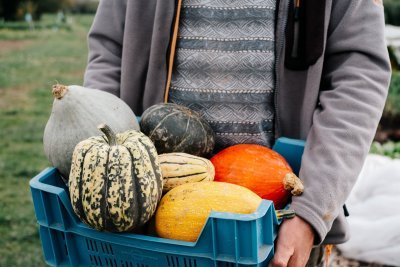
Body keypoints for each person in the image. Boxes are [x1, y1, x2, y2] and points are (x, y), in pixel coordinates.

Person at [83, 0, 391, 266]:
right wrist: (102, 159)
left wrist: (310, 209)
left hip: (277, 221)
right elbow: (109, 50)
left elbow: (358, 79)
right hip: (153, 214)